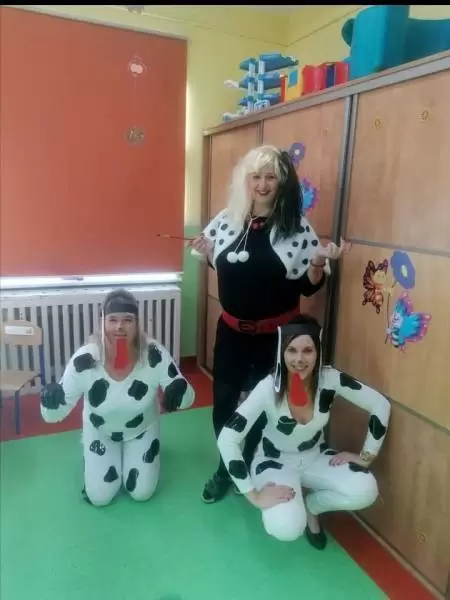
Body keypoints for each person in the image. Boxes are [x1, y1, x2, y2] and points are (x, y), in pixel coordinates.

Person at [191, 144, 349, 503]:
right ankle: (226, 468)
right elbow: (222, 265)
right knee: (224, 404)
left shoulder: (296, 228)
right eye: (256, 177)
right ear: (245, 180)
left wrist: (317, 261)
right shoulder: (228, 219)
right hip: (231, 333)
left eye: (270, 177)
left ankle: (248, 464)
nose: (262, 185)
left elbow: (308, 285)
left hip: (276, 338)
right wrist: (210, 251)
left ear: (282, 182)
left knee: (264, 408)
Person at [216, 313, 391, 549]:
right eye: (292, 350)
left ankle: (312, 507)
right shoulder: (268, 387)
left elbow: (380, 405)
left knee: (366, 490)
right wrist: (252, 495)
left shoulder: (330, 379)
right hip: (273, 462)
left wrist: (365, 456)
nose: (299, 359)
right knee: (286, 527)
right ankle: (293, 508)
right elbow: (227, 438)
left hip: (315, 457)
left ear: (318, 352)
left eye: (308, 350)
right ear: (282, 352)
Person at [40, 288, 195, 507]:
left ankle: (138, 452)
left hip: (141, 428)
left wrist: (180, 390)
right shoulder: (85, 360)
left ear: (137, 323)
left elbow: (188, 399)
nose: (119, 327)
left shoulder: (154, 354)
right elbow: (53, 415)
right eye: (112, 320)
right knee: (99, 497)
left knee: (142, 493)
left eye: (127, 320)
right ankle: (92, 451)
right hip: (101, 430)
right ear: (103, 322)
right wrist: (49, 401)